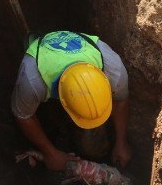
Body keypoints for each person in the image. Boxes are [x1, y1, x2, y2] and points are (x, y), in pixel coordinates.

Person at [12, 30, 131, 173]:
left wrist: (121, 142)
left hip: (72, 56)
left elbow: (121, 100)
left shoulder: (114, 70)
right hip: (43, 63)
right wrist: (51, 153)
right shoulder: (32, 80)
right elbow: (23, 116)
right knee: (49, 119)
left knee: (92, 147)